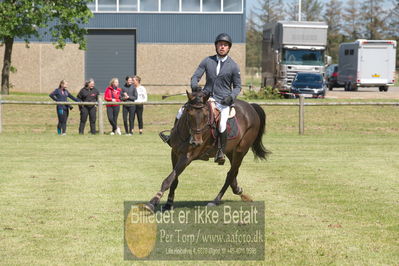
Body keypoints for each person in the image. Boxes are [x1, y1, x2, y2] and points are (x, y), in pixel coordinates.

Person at [159, 33, 241, 165]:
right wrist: (195, 85)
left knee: (221, 124)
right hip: (205, 97)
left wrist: (230, 97)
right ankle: (172, 137)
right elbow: (195, 76)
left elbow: (237, 87)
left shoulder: (233, 66)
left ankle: (220, 151)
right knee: (181, 111)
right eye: (220, 44)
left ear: (229, 48)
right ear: (216, 46)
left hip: (222, 101)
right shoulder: (207, 61)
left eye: (225, 45)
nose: (222, 47)